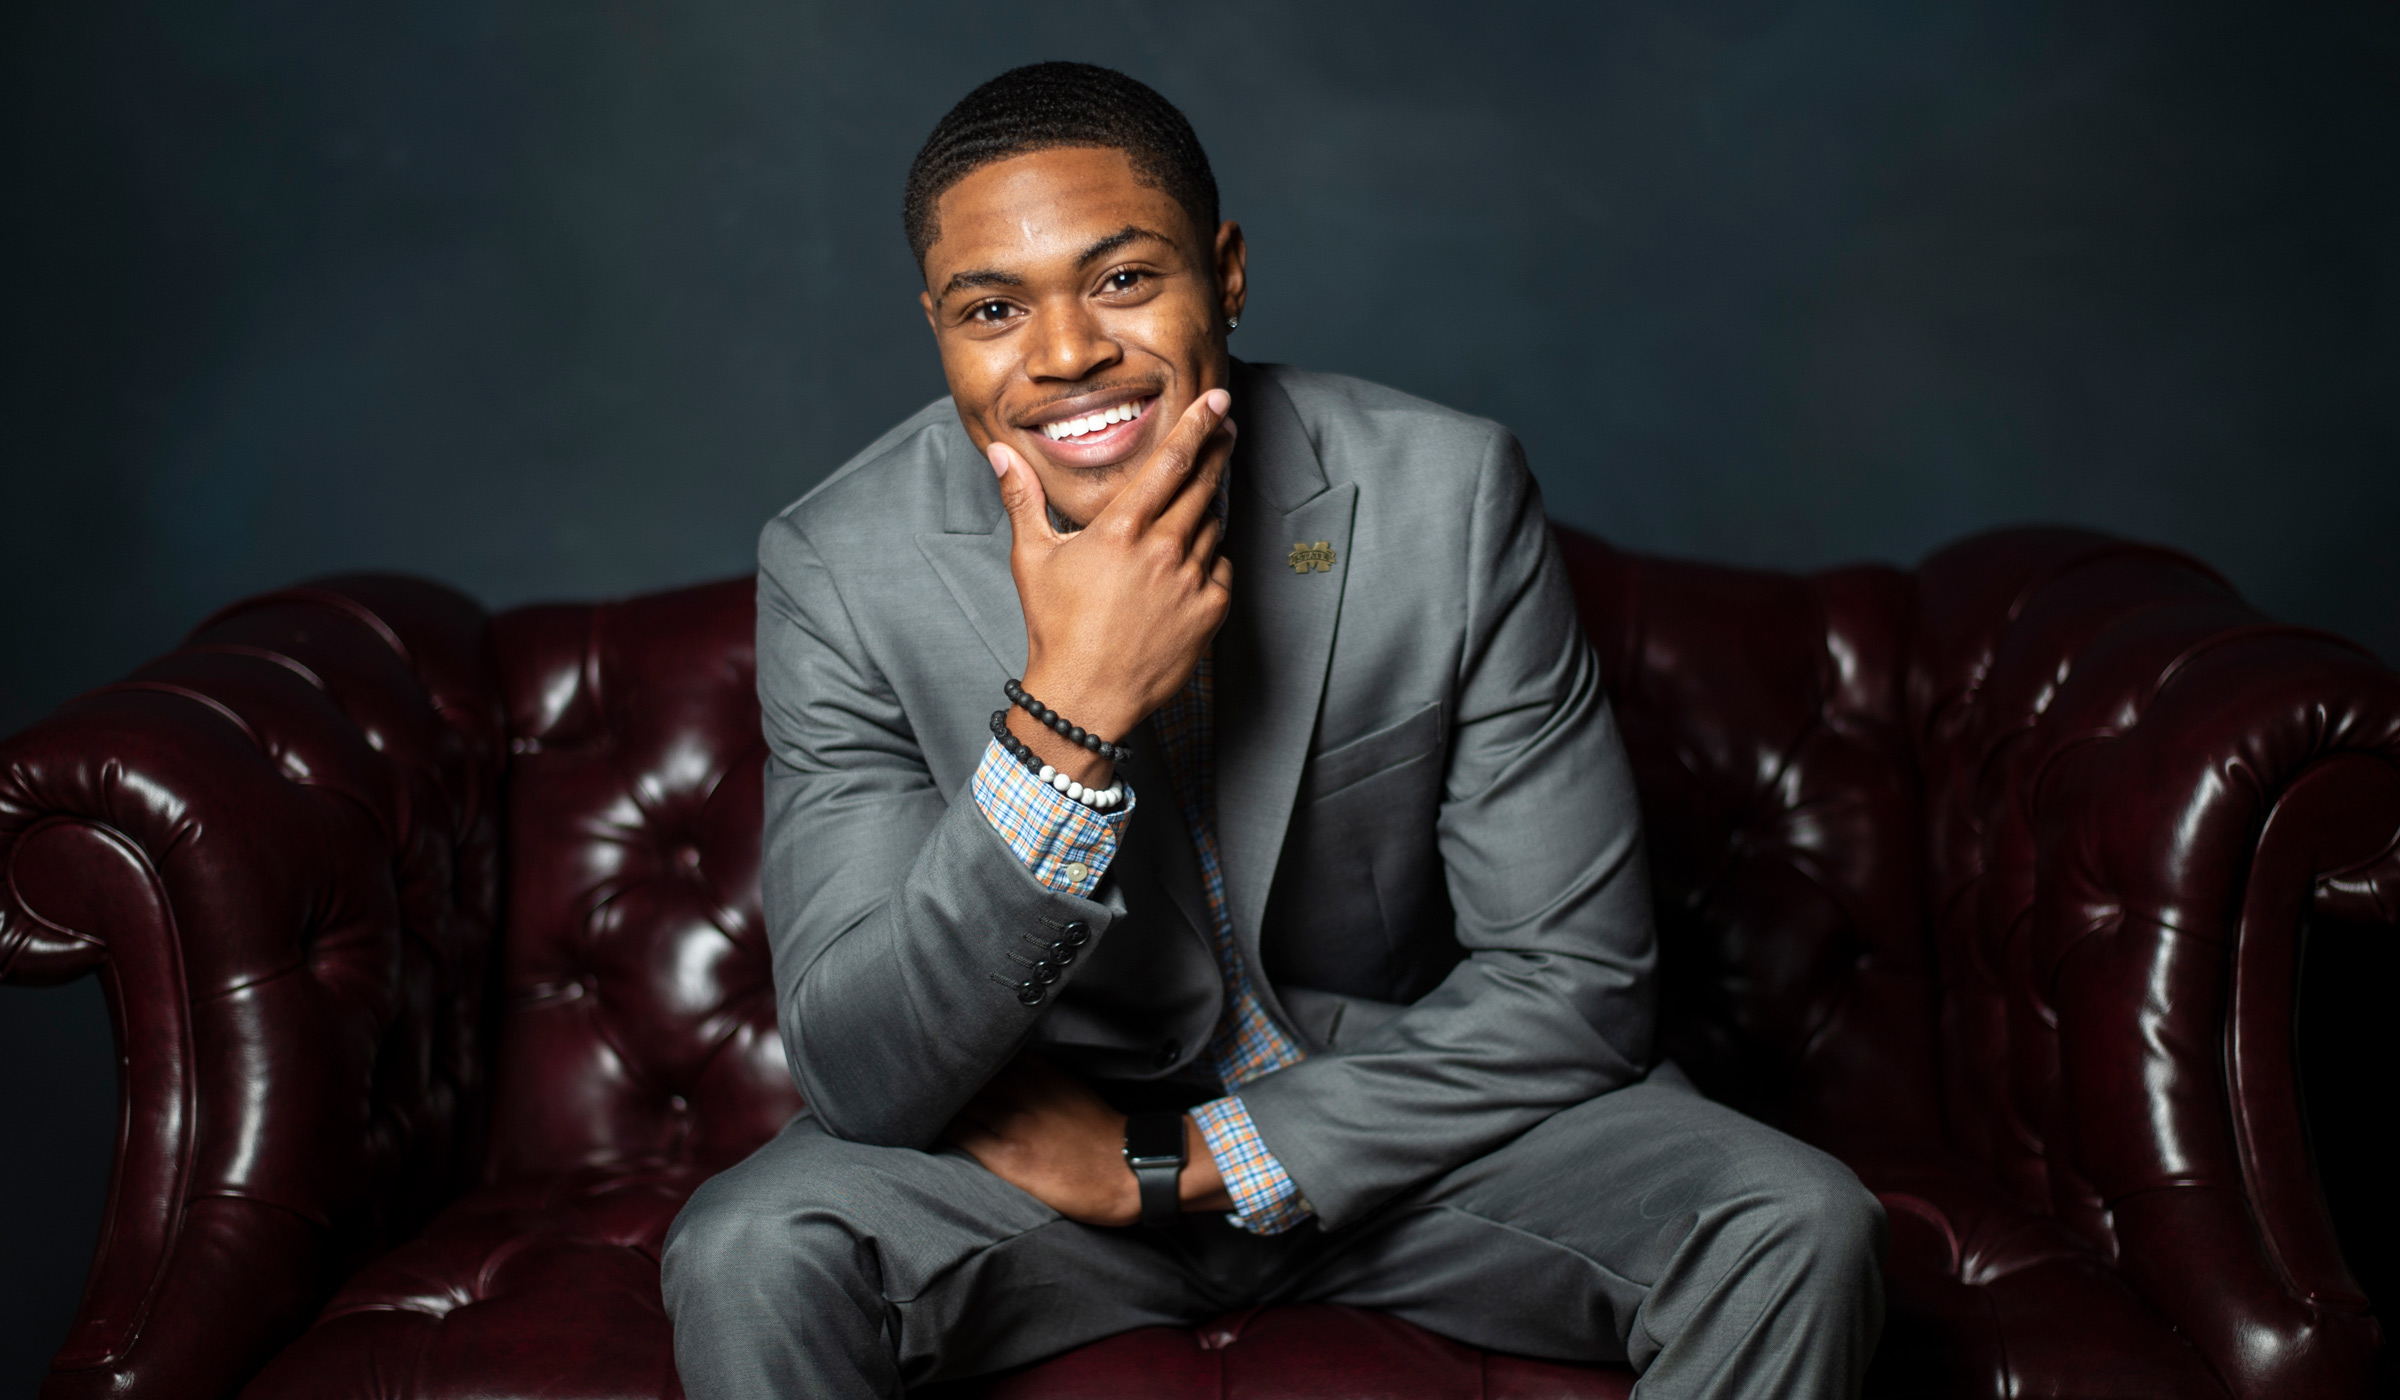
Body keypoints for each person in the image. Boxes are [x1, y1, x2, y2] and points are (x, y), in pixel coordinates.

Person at [662, 61, 1884, 1400]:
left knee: (1791, 1222)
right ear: (939, 329)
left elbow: (1578, 986)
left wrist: (1185, 1161)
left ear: (1226, 272)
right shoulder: (840, 565)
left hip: (1407, 1143)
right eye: (995, 309)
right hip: (1029, 1162)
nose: (1064, 352)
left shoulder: (1444, 497)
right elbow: (863, 1074)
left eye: (1123, 279)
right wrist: (1067, 713)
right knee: (751, 1253)